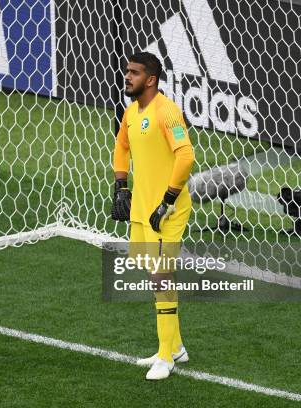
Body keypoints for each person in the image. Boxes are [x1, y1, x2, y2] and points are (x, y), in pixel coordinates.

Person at [112, 52, 195, 380]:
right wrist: (121, 185)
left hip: (168, 209)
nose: (127, 77)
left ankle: (166, 357)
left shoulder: (168, 112)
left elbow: (185, 156)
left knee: (162, 277)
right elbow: (121, 146)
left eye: (134, 73)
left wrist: (168, 199)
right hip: (143, 206)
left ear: (151, 79)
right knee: (154, 275)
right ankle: (175, 347)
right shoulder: (131, 113)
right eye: (127, 71)